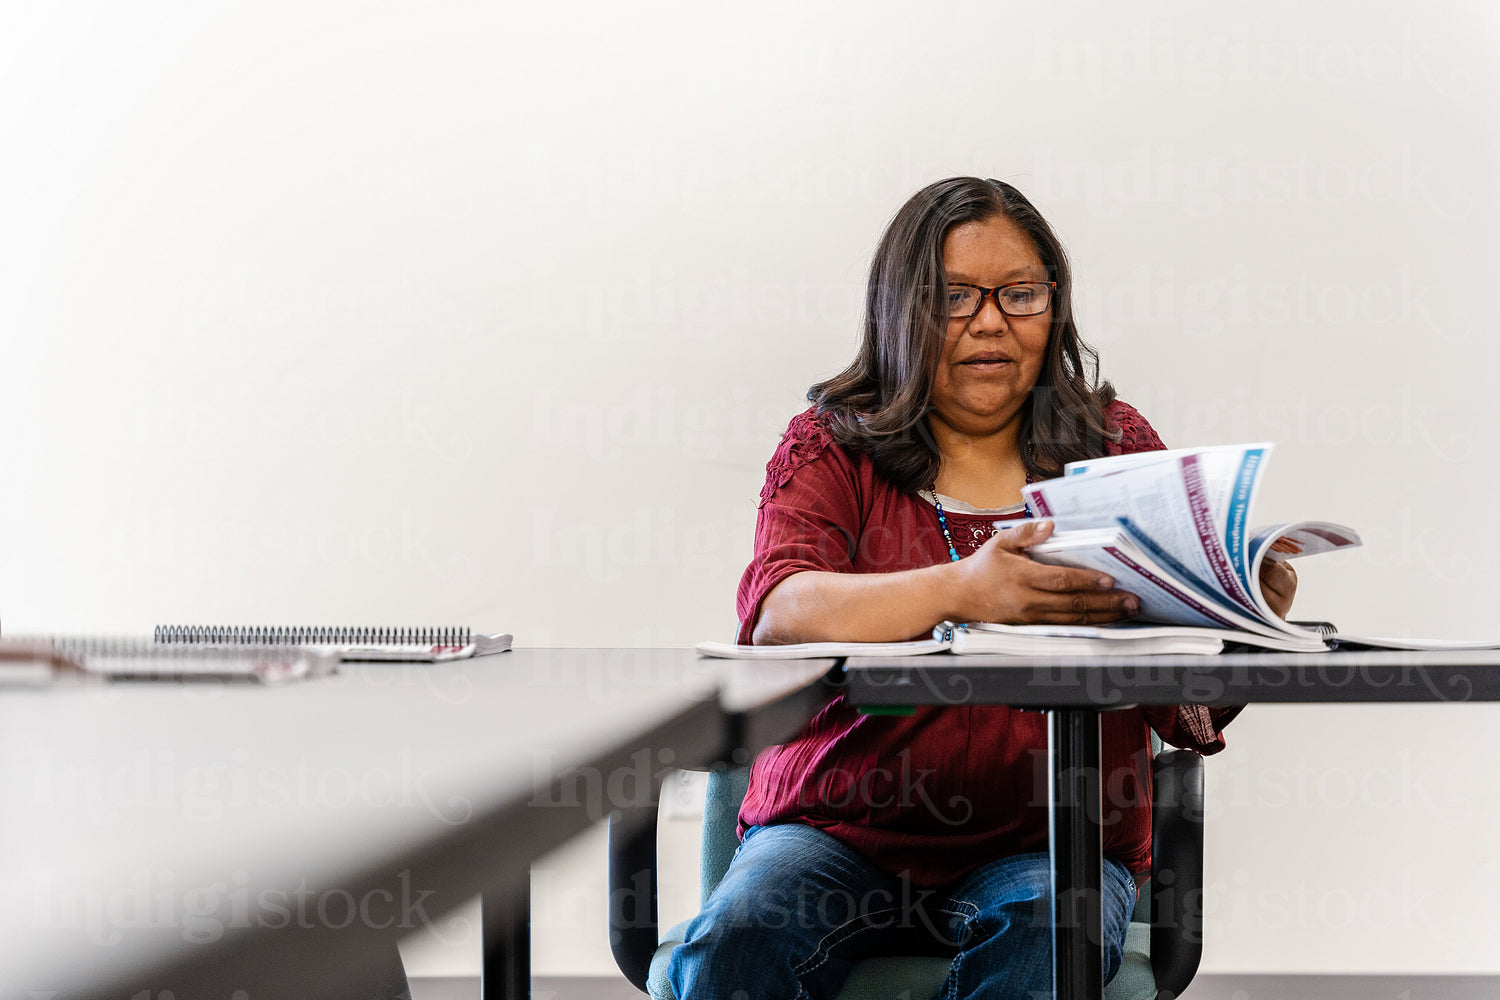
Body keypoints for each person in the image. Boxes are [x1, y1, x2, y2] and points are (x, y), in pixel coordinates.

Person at [668, 177, 1295, 999]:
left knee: (1044, 936)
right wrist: (966, 589)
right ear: (901, 309)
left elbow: (1180, 706)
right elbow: (782, 610)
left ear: (1053, 304)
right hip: (834, 832)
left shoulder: (1113, 447)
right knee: (732, 945)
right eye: (954, 296)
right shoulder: (832, 444)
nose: (990, 321)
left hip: (1052, 843)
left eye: (1019, 294)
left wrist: (1237, 620)